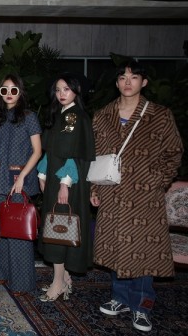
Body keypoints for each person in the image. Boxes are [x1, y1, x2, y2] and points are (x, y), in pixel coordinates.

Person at [90, 61, 183, 332]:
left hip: (145, 196)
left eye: (134, 77)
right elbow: (95, 155)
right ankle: (119, 298)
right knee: (116, 246)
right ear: (117, 83)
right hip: (111, 192)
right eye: (122, 77)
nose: (127, 82)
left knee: (144, 251)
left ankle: (142, 306)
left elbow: (174, 152)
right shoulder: (103, 115)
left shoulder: (159, 114)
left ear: (144, 82)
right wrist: (94, 188)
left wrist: (158, 181)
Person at [36, 73, 95, 302]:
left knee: (59, 230)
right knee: (56, 226)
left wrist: (64, 184)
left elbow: (73, 154)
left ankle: (58, 282)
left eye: (67, 89)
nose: (61, 94)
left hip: (68, 183)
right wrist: (42, 173)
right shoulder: (60, 114)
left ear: (76, 91)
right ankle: (65, 278)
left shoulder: (76, 116)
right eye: (58, 89)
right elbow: (50, 150)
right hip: (54, 180)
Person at [0, 74, 42, 296]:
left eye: (14, 90)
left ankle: (21, 283)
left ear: (20, 92)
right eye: (5, 90)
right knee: (1, 227)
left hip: (19, 179)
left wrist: (22, 177)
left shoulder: (29, 117)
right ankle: (2, 272)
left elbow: (37, 151)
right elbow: (0, 145)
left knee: (18, 231)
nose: (9, 94)